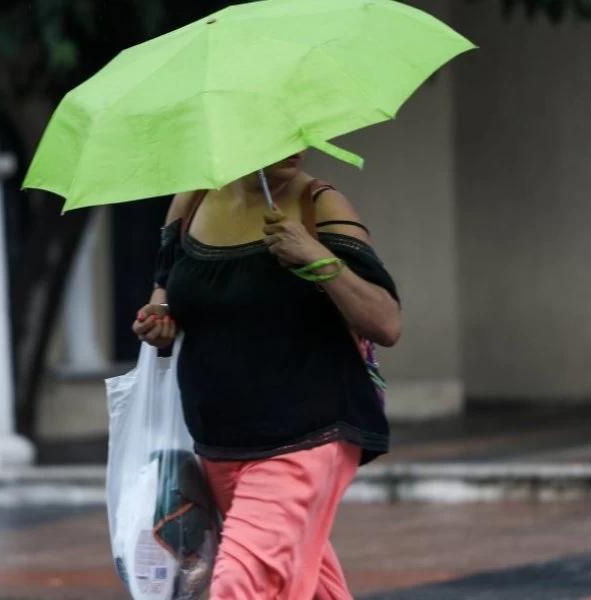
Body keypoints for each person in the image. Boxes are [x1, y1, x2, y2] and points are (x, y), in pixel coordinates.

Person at [132, 151, 402, 600]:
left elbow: (386, 321)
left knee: (239, 585)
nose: (291, 146)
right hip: (218, 444)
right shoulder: (192, 202)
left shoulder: (320, 204)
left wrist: (315, 256)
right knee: (309, 586)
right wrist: (158, 319)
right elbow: (165, 288)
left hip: (306, 437)